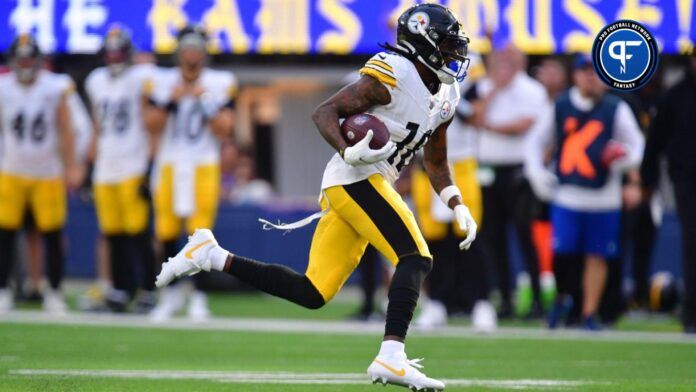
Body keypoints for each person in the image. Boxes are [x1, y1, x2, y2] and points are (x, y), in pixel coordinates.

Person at [155, 4, 476, 391]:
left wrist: (457, 204)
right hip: (353, 178)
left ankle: (210, 254)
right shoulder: (394, 73)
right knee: (415, 257)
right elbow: (326, 112)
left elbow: (436, 161)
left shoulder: (447, 94)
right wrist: (346, 149)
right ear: (423, 45)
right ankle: (391, 356)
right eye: (446, 46)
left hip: (375, 179)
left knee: (313, 292)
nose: (454, 54)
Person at [525, 55, 645, 330]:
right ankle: (563, 299)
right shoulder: (561, 105)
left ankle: (590, 312)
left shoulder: (616, 107)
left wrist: (621, 159)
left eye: (595, 73)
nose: (590, 78)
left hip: (605, 197)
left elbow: (636, 146)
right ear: (575, 76)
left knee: (597, 256)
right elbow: (535, 141)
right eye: (584, 72)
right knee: (563, 253)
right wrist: (537, 174)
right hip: (568, 193)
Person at [144, 26, 236, 321]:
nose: (192, 53)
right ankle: (169, 297)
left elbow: (225, 129)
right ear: (179, 51)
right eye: (187, 47)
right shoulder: (160, 81)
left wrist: (204, 100)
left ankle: (198, 297)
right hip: (170, 162)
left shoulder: (220, 83)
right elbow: (151, 125)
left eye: (197, 47)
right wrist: (173, 99)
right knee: (166, 231)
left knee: (201, 232)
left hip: (203, 163)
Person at [0, 34, 83, 314]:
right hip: (12, 169)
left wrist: (72, 165)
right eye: (20, 58)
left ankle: (54, 291)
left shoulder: (54, 86)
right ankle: (3, 291)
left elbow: (66, 129)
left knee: (52, 234)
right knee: (6, 234)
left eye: (28, 58)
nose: (25, 64)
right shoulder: (3, 87)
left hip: (47, 171)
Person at [412, 53, 495, 331]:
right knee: (433, 238)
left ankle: (480, 303)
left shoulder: (470, 63)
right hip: (426, 161)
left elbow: (479, 115)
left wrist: (453, 99)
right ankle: (436, 303)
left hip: (461, 160)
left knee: (469, 233)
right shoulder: (416, 63)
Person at [85, 25, 158, 312]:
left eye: (119, 52)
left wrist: (150, 166)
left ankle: (148, 289)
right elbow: (96, 126)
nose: (114, 58)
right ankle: (119, 289)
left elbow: (152, 120)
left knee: (139, 232)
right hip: (105, 166)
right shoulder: (95, 81)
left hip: (133, 165)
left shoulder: (141, 77)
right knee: (113, 233)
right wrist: (89, 165)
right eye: (110, 53)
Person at [475, 45, 547, 318]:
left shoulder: (532, 90)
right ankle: (504, 299)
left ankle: (538, 299)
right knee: (493, 239)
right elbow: (475, 116)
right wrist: (494, 89)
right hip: (488, 172)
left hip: (518, 172)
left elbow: (525, 125)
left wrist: (491, 126)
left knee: (524, 236)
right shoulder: (484, 87)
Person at [641, 51, 696, 333]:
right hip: (686, 176)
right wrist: (647, 178)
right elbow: (656, 141)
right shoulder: (676, 96)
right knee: (691, 242)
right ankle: (691, 311)